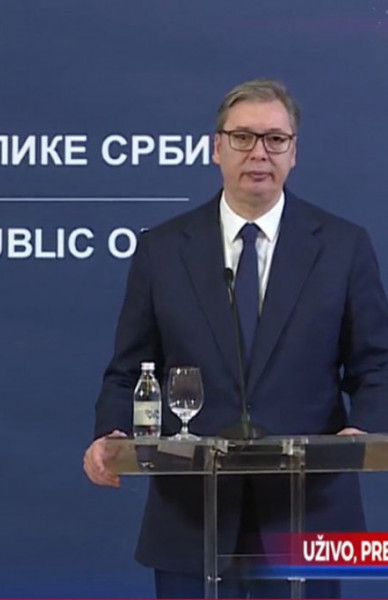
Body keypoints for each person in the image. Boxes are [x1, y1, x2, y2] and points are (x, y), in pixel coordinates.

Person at [82, 79, 388, 598]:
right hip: (192, 515)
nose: (259, 153)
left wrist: (363, 432)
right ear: (216, 148)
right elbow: (130, 368)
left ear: (294, 153)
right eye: (243, 137)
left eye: (275, 139)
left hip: (307, 509)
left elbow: (376, 364)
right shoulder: (163, 249)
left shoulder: (343, 246)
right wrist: (111, 431)